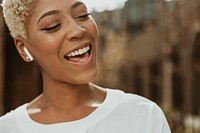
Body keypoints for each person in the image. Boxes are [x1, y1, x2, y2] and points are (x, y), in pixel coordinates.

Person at [0, 0, 171, 132]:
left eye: (82, 15)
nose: (78, 30)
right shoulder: (7, 128)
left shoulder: (142, 117)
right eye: (53, 26)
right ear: (24, 48)